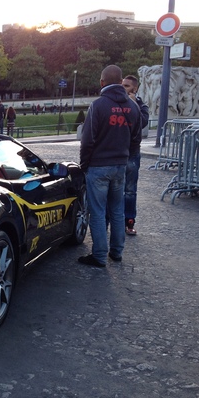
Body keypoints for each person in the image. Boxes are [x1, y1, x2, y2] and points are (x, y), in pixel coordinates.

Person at [78, 65, 142, 267]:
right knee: (117, 209)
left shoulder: (98, 106)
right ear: (121, 81)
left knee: (97, 212)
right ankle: (117, 251)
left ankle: (98, 255)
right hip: (120, 166)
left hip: (98, 166)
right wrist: (125, 157)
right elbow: (136, 139)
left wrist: (84, 164)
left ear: (102, 82)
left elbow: (87, 140)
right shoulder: (133, 107)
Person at [121, 74, 150, 236]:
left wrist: (133, 104)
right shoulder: (117, 102)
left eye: (126, 86)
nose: (123, 88)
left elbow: (143, 122)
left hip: (132, 153)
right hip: (117, 152)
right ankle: (113, 221)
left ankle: (129, 221)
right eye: (122, 85)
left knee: (130, 190)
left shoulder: (140, 105)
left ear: (135, 88)